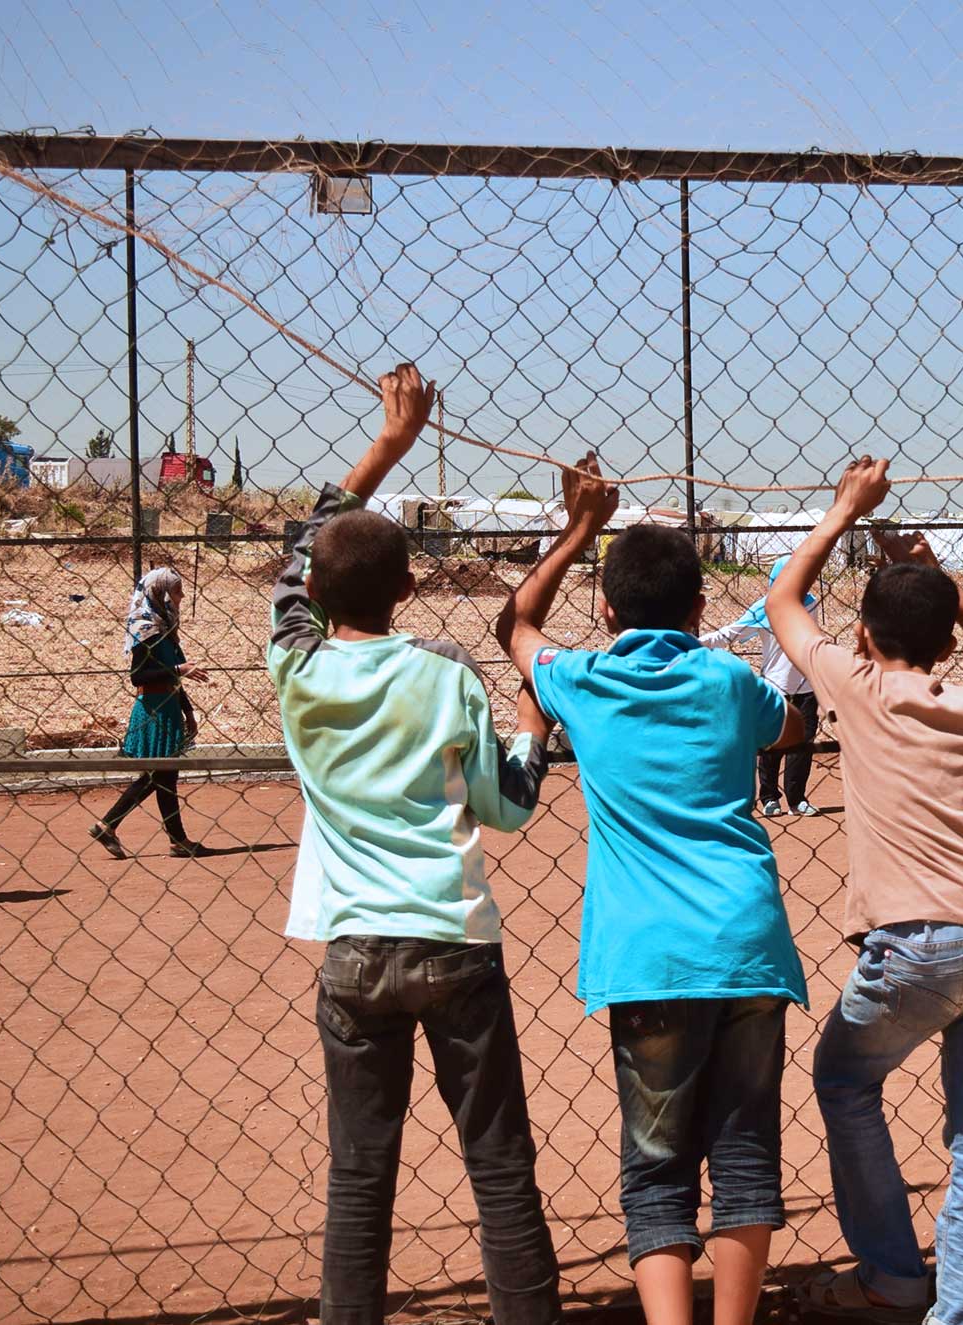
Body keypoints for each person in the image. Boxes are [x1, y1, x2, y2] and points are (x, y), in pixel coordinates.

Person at [272, 364, 567, 1325]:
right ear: (411, 584)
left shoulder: (298, 668)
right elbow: (510, 806)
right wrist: (531, 723)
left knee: (360, 1171)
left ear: (315, 591)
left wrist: (387, 446)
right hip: (454, 937)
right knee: (499, 1162)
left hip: (353, 947)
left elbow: (297, 551)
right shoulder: (446, 674)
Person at [498, 490, 809, 1325]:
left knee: (656, 1163)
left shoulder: (582, 679)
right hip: (744, 940)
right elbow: (786, 727)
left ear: (604, 608)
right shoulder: (729, 677)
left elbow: (514, 627)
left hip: (648, 955)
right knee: (745, 1155)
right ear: (701, 607)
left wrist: (577, 531)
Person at [764, 457, 963, 1325]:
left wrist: (846, 508)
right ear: (948, 645)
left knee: (845, 1081)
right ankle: (959, 1312)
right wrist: (945, 579)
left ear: (863, 637)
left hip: (917, 938)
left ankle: (893, 1272)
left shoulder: (859, 686)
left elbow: (783, 603)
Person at [89, 567, 208, 859]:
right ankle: (109, 823)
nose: (181, 596)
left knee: (164, 777)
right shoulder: (145, 627)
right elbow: (139, 676)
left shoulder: (165, 629)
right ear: (162, 592)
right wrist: (179, 669)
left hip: (167, 707)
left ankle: (176, 840)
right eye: (177, 590)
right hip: (152, 710)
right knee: (159, 776)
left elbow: (174, 680)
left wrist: (188, 713)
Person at [701, 556, 824, 817]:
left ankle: (796, 799)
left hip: (807, 685)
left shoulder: (810, 603)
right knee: (772, 742)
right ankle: (769, 797)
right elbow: (729, 634)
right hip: (775, 684)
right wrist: (695, 643)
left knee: (802, 745)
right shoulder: (765, 608)